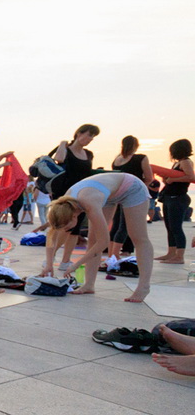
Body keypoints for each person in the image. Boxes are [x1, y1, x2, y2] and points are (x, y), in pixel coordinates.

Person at [45, 172, 153, 302]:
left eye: (67, 227)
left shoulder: (88, 203)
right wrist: (49, 264)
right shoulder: (62, 205)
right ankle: (89, 285)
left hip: (131, 188)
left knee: (138, 237)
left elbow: (104, 242)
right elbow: (52, 235)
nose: (65, 230)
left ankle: (143, 287)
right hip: (107, 193)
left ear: (74, 217)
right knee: (93, 239)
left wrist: (77, 264)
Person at [48, 124, 99, 272]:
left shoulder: (88, 154)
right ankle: (50, 257)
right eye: (89, 135)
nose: (90, 139)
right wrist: (63, 144)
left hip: (82, 193)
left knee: (74, 230)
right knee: (62, 227)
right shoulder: (66, 150)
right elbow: (59, 159)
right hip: (65, 193)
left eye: (93, 137)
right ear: (79, 133)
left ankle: (65, 260)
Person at [109, 135, 153, 258]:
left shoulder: (117, 160)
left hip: (118, 194)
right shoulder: (141, 158)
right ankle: (115, 255)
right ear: (136, 145)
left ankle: (113, 253)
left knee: (116, 224)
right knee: (126, 226)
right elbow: (149, 178)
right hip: (133, 195)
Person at [156, 139, 193, 265]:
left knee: (176, 227)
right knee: (170, 227)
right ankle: (171, 253)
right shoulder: (178, 163)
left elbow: (191, 177)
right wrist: (166, 178)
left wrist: (172, 180)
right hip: (169, 197)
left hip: (178, 198)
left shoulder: (186, 162)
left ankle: (179, 256)